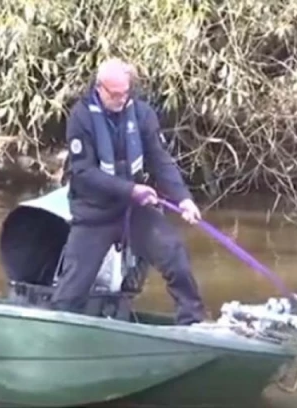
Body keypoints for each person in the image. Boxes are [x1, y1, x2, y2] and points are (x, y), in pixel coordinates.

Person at [50, 58, 208, 325]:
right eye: (115, 94)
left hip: (134, 211)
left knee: (173, 253)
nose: (122, 99)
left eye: (126, 93)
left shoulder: (142, 114)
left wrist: (184, 199)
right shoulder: (81, 117)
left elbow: (160, 160)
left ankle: (191, 320)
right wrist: (131, 189)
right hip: (95, 212)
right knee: (74, 284)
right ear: (100, 88)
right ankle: (59, 328)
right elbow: (84, 173)